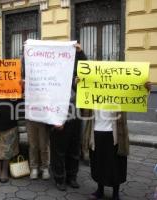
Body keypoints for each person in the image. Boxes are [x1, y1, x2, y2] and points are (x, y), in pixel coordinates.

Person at [82, 82, 152, 200]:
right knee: (99, 163)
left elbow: (136, 100)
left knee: (115, 164)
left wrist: (146, 90)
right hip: (96, 133)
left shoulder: (119, 95)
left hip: (114, 136)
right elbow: (83, 108)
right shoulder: (92, 94)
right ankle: (100, 190)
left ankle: (116, 193)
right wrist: (79, 85)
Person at [49, 43, 87, 191]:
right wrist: (55, 120)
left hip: (75, 114)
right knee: (59, 149)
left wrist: (81, 52)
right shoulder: (53, 74)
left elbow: (88, 70)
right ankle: (59, 178)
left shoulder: (76, 71)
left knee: (74, 147)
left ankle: (72, 177)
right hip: (59, 116)